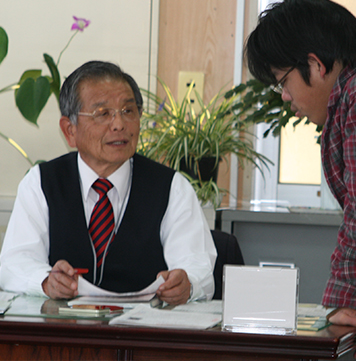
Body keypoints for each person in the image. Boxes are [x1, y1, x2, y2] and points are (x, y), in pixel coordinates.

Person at [245, 0, 356, 358]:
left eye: (283, 81)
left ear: (315, 65)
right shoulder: (353, 99)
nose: (284, 96)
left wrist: (346, 300)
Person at [0, 61, 217, 306]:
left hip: (145, 335)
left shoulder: (172, 188)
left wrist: (187, 284)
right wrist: (45, 281)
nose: (119, 124)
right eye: (102, 113)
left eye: (128, 111)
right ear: (69, 130)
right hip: (63, 335)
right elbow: (14, 263)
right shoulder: (40, 183)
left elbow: (198, 267)